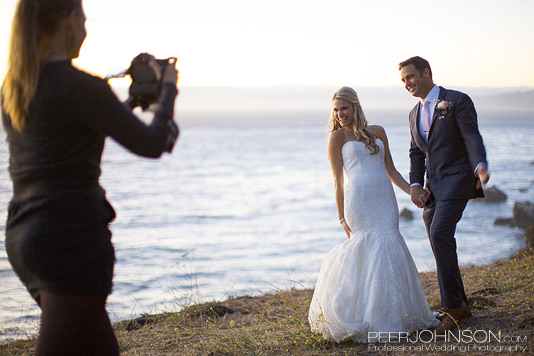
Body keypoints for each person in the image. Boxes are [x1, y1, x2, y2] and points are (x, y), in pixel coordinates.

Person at [1, 0, 179, 355]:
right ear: (69, 20)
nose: (85, 29)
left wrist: (124, 106)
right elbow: (153, 143)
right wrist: (168, 91)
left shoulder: (14, 88)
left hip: (25, 236)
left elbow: (70, 133)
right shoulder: (81, 86)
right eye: (85, 20)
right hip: (70, 239)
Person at [308, 86, 439, 343]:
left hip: (384, 200)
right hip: (359, 203)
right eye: (336, 110)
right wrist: (341, 217)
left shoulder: (378, 131)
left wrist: (412, 190)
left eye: (344, 108)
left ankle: (396, 314)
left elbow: (390, 168)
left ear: (355, 106)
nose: (340, 114)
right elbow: (337, 181)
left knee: (389, 247)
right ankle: (368, 315)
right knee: (366, 248)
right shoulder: (336, 138)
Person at [398, 56, 489, 334]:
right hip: (432, 188)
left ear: (427, 72)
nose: (407, 83)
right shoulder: (413, 113)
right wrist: (415, 184)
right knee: (439, 241)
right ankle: (459, 302)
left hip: (459, 180)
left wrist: (480, 164)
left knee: (440, 234)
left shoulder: (457, 100)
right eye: (403, 80)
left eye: (411, 77)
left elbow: (471, 136)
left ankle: (453, 307)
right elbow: (416, 152)